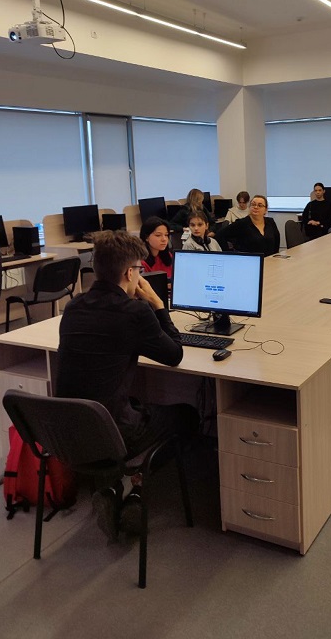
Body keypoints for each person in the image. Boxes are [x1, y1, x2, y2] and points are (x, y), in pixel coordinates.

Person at [56, 230, 198, 540]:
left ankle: (109, 489)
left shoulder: (74, 307)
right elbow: (174, 354)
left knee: (128, 402)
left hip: (66, 432)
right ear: (129, 273)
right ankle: (137, 491)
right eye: (139, 270)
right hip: (113, 432)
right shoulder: (134, 311)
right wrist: (157, 304)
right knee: (187, 415)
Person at [216, 195, 280, 255]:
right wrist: (229, 253)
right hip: (249, 261)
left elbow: (276, 242)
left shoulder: (270, 222)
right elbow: (220, 235)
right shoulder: (241, 223)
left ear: (265, 210)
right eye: (253, 204)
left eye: (260, 205)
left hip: (270, 260)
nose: (256, 207)